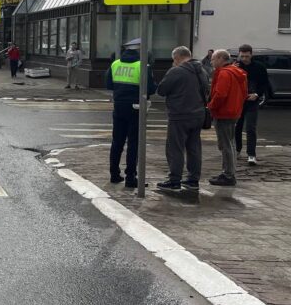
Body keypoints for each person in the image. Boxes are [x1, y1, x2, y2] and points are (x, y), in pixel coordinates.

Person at [155, 46, 209, 193]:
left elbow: (161, 90)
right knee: (194, 148)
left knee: (175, 148)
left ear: (177, 57)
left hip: (179, 115)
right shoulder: (201, 70)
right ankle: (193, 180)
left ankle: (174, 180)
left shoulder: (176, 71)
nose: (173, 62)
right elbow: (206, 90)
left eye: (174, 60)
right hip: (198, 115)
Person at [105, 38, 156, 188]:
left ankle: (114, 174)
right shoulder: (142, 66)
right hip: (135, 107)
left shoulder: (115, 64)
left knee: (117, 142)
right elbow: (151, 89)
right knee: (134, 143)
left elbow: (108, 84)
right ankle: (130, 178)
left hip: (119, 106)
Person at [207, 49, 247, 186]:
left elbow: (220, 94)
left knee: (225, 145)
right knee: (230, 143)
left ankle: (228, 174)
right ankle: (228, 172)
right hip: (233, 111)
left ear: (220, 59)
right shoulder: (237, 73)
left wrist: (210, 106)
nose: (211, 62)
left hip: (224, 112)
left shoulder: (225, 73)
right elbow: (244, 93)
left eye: (213, 59)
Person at [234, 44, 270, 166]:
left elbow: (264, 84)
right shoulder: (235, 66)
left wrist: (257, 94)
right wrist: (233, 69)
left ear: (251, 54)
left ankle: (251, 154)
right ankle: (237, 150)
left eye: (247, 56)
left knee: (251, 128)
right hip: (239, 101)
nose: (244, 59)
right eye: (242, 56)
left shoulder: (259, 67)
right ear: (239, 54)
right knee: (237, 127)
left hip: (252, 101)